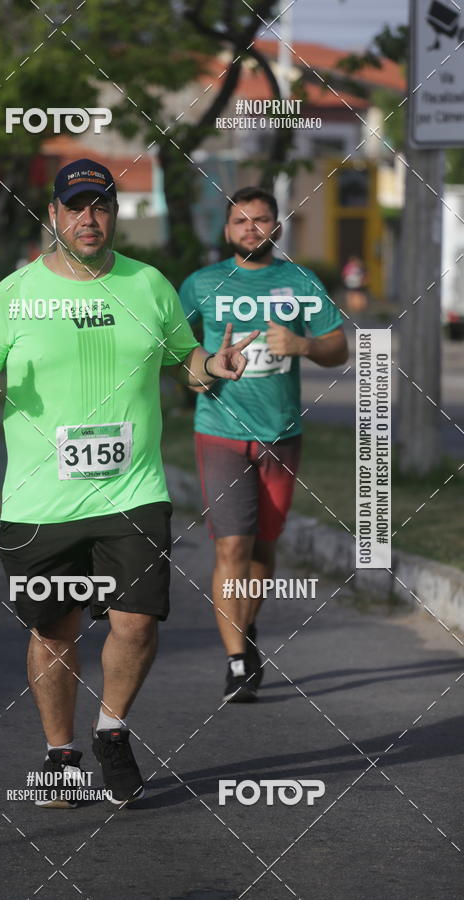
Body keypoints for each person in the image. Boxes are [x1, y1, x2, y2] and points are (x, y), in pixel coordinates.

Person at [0, 159, 259, 807]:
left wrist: (214, 363)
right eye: (75, 207)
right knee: (56, 632)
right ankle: (60, 754)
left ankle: (112, 731)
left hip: (133, 492)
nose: (88, 218)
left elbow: (185, 359)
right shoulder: (14, 294)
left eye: (99, 206)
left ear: (115, 214)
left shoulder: (149, 285)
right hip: (42, 502)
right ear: (53, 215)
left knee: (135, 624)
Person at [180, 186, 348, 704]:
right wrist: (202, 372)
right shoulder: (201, 285)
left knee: (264, 548)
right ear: (226, 231)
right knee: (232, 544)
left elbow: (339, 347)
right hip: (220, 431)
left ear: (276, 227)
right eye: (240, 221)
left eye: (261, 220)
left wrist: (304, 345)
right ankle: (235, 662)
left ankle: (244, 624)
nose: (251, 228)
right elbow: (177, 356)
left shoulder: (299, 281)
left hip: (281, 433)